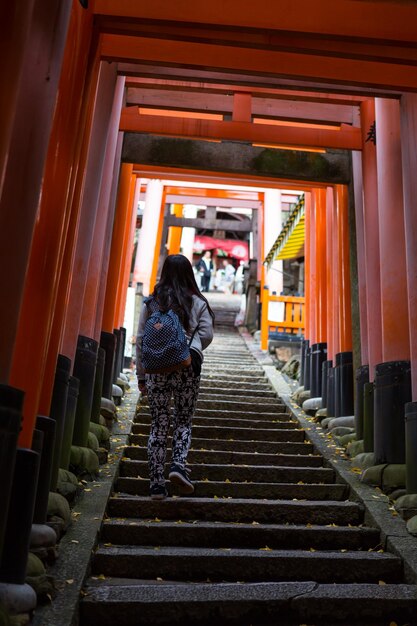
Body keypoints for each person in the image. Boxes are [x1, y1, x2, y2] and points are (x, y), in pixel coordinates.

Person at [136, 254, 215, 500]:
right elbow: (207, 334)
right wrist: (190, 344)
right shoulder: (198, 302)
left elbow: (140, 340)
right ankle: (178, 464)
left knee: (159, 423)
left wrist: (141, 375)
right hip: (187, 367)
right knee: (183, 419)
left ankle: (157, 484)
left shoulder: (150, 302)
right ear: (189, 274)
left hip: (156, 370)